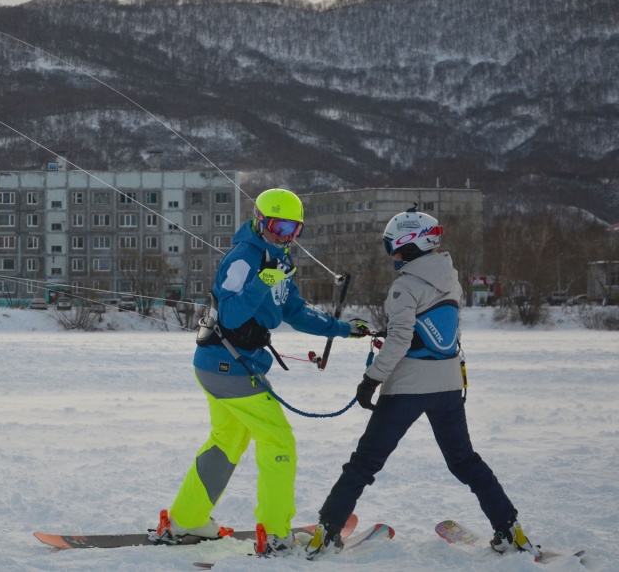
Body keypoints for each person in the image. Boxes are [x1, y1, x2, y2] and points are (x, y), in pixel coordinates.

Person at [304, 206, 539, 558]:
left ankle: (326, 533)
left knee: (364, 463)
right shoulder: (452, 279)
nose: (391, 255)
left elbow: (400, 340)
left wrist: (370, 380)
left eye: (391, 247)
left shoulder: (404, 286)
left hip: (407, 390)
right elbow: (434, 331)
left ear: (407, 246)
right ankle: (510, 530)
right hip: (446, 388)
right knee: (465, 462)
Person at [153, 188, 371, 557]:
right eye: (278, 226)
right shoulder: (244, 258)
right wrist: (263, 281)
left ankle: (187, 519)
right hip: (229, 366)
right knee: (278, 441)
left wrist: (343, 329)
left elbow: (296, 311)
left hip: (227, 365)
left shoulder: (278, 256)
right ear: (260, 219)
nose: (285, 236)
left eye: (293, 229)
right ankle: (274, 532)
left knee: (228, 441)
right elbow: (232, 314)